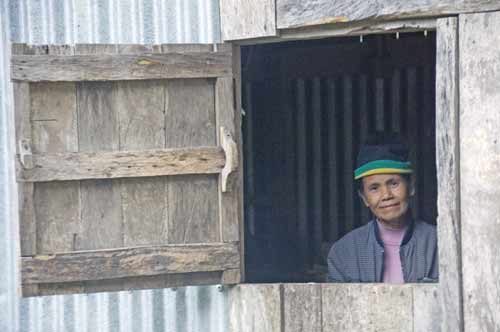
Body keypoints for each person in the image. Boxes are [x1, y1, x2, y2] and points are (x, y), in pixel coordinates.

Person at [327, 133, 438, 283]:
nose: (386, 195)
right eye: (374, 188)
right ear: (364, 197)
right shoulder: (344, 253)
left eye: (393, 183)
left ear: (411, 187)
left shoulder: (438, 244)